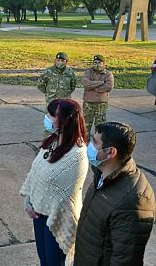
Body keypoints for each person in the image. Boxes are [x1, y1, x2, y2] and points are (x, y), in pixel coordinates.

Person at [74, 122, 155, 266]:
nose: (89, 146)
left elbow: (125, 258)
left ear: (111, 152)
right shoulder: (102, 173)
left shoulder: (133, 199)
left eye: (94, 142)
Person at [20, 99, 88, 266]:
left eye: (51, 115)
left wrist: (41, 206)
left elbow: (63, 195)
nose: (47, 118)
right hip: (39, 214)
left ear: (65, 120)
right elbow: (36, 172)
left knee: (54, 263)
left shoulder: (77, 155)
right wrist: (28, 199)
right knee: (44, 260)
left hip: (57, 218)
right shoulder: (52, 141)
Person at [82, 54, 114, 139]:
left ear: (104, 63)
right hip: (88, 104)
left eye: (99, 62)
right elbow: (86, 84)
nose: (97, 64)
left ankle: (98, 145)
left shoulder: (108, 74)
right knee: (85, 126)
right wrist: (100, 83)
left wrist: (93, 87)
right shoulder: (88, 72)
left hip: (101, 105)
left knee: (100, 127)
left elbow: (109, 87)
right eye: (95, 62)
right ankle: (84, 145)